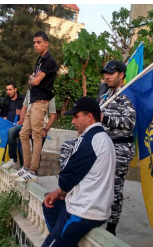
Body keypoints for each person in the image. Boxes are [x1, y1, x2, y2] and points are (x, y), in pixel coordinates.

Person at [0, 97, 115, 247]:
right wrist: (58, 192)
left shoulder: (91, 139)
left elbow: (68, 176)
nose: (73, 122)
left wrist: (62, 188)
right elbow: (77, 179)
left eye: (76, 117)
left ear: (89, 116)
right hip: (90, 207)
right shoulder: (103, 138)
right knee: (49, 203)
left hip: (82, 214)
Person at [58, 61, 136, 237]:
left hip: (119, 147)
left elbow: (130, 122)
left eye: (111, 73)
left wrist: (104, 118)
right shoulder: (105, 94)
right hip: (98, 144)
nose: (107, 76)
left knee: (114, 187)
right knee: (67, 149)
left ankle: (111, 229)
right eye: (105, 73)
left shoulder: (127, 94)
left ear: (121, 75)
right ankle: (73, 201)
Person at [17, 30, 58, 182]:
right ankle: (26, 167)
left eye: (39, 42)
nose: (35, 45)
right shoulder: (40, 60)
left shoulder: (49, 61)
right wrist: (32, 79)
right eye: (34, 42)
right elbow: (32, 80)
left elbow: (35, 81)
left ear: (46, 43)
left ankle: (33, 171)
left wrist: (32, 79)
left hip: (41, 103)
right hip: (33, 101)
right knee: (23, 134)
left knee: (36, 136)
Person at [4, 90, 56, 170]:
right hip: (27, 125)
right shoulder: (30, 92)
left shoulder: (48, 93)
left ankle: (33, 171)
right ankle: (14, 160)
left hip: (40, 127)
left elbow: (53, 115)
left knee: (36, 152)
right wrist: (21, 120)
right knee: (12, 132)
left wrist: (46, 130)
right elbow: (24, 108)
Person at [0, 82, 24, 168]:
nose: (8, 92)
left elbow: (29, 113)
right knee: (2, 144)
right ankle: (3, 162)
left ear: (15, 89)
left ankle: (23, 166)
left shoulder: (23, 99)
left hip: (20, 127)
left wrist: (21, 114)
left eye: (10, 89)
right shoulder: (4, 100)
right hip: (6, 127)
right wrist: (2, 117)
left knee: (21, 147)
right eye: (7, 90)